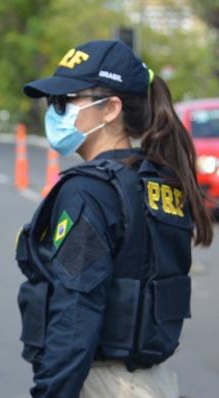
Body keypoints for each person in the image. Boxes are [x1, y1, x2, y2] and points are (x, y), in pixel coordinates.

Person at [16, 40, 214, 398]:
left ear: (110, 108)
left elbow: (77, 310)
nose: (54, 112)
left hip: (101, 384)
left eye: (65, 101)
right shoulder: (159, 180)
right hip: (154, 382)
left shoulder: (89, 192)